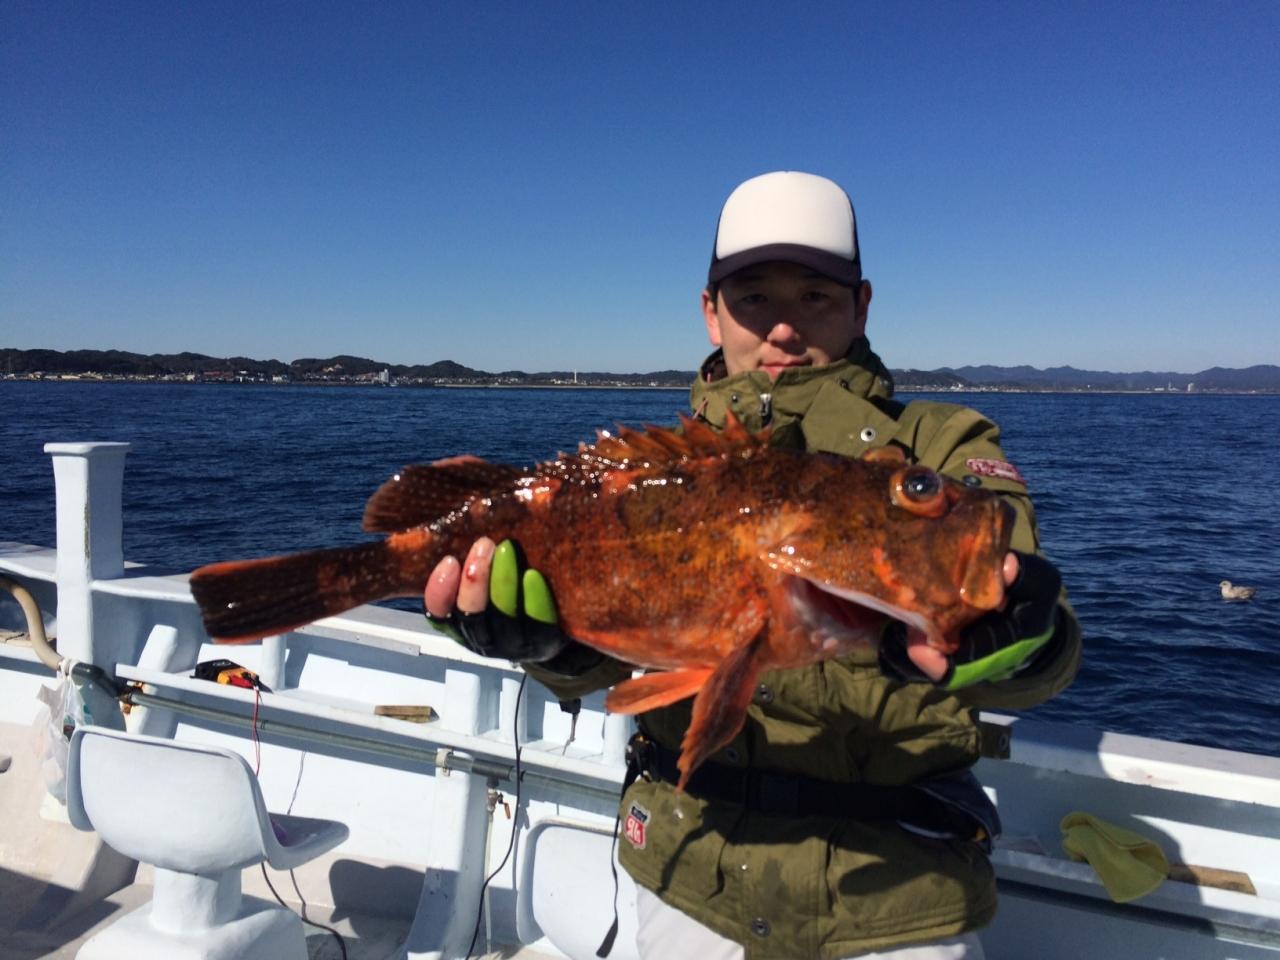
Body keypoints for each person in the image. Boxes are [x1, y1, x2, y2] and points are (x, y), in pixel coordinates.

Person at [425, 171, 1082, 959]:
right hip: (688, 874)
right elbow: (613, 660)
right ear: (711, 310)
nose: (783, 329)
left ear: (861, 306)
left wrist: (1026, 636)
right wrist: (551, 652)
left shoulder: (939, 447)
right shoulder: (656, 473)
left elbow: (1030, 632)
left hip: (899, 896)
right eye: (754, 298)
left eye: (816, 297)